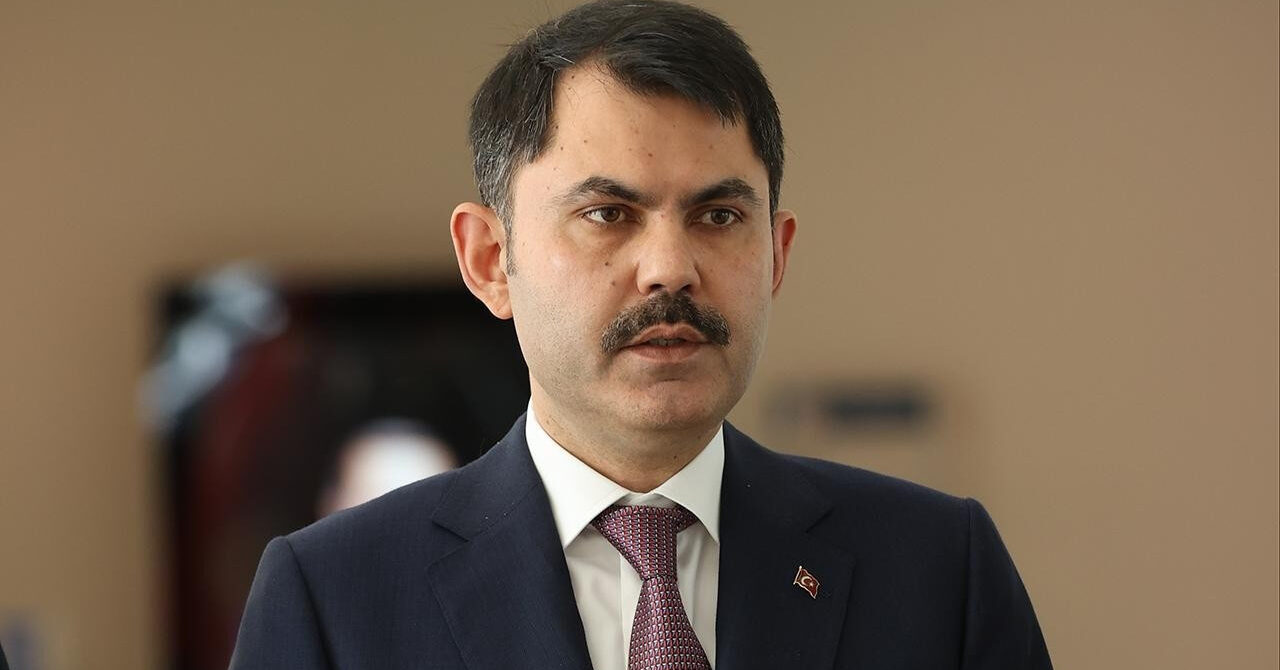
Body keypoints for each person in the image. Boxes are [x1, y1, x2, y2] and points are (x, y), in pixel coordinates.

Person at [230, 1, 1053, 668]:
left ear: (776, 254)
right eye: (608, 214)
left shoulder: (939, 571)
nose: (670, 269)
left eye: (718, 215)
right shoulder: (333, 600)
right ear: (488, 259)